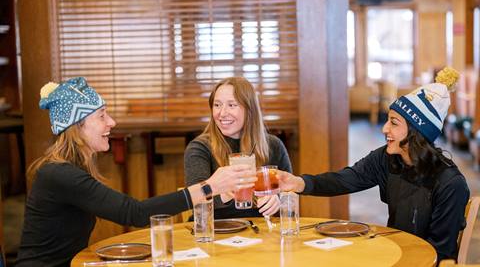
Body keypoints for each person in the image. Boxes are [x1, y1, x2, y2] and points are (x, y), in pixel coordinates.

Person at [15, 77, 256, 267]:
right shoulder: (60, 175)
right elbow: (135, 212)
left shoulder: (70, 169)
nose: (112, 122)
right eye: (102, 116)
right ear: (77, 128)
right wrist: (209, 187)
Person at [277, 67, 470, 262]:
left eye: (394, 123)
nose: (385, 128)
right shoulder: (386, 159)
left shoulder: (450, 183)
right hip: (395, 255)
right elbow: (346, 179)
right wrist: (299, 183)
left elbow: (441, 253)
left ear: (416, 132)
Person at [184, 76, 292, 219]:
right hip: (213, 232)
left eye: (231, 105)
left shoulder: (273, 145)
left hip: (261, 232)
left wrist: (278, 199)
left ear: (249, 109)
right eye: (217, 105)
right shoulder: (199, 148)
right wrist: (224, 191)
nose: (222, 113)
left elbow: (290, 193)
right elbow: (196, 201)